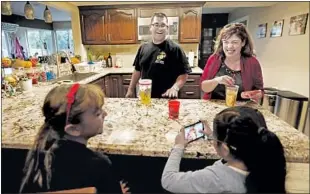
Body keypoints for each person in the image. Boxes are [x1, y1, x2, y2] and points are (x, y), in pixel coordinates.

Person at [19, 84, 129, 193]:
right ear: (73, 130)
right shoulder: (98, 165)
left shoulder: (37, 157)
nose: (105, 114)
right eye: (98, 113)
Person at [161, 106, 287, 193]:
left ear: (226, 149)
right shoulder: (264, 161)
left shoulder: (215, 178)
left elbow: (168, 180)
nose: (214, 140)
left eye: (216, 138)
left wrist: (178, 146)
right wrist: (214, 136)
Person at [125, 12, 192, 99]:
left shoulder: (175, 49)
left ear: (167, 28)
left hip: (166, 98)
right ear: (151, 27)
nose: (159, 28)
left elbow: (184, 74)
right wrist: (130, 89)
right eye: (156, 24)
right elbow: (137, 71)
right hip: (145, 97)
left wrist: (175, 88)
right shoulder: (143, 48)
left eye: (163, 25)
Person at [200, 23, 264, 102]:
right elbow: (204, 87)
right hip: (214, 106)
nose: (229, 46)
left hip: (241, 108)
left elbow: (260, 91)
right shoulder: (214, 59)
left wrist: (254, 94)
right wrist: (217, 80)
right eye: (226, 42)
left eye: (234, 42)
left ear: (243, 42)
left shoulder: (253, 62)